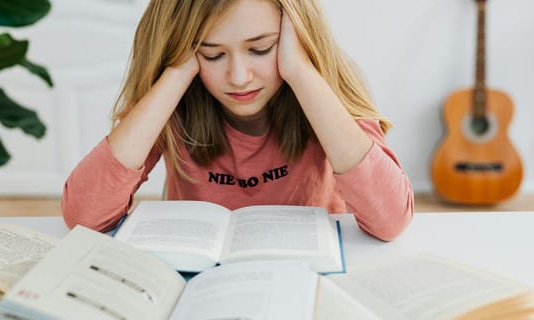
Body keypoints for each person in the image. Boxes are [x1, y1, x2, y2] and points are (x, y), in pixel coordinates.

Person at [61, 0, 414, 241]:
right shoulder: (174, 103)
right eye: (212, 54)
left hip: (309, 272)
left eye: (260, 49)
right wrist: (175, 75)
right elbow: (85, 219)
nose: (239, 76)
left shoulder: (326, 93)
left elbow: (391, 221)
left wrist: (302, 73)